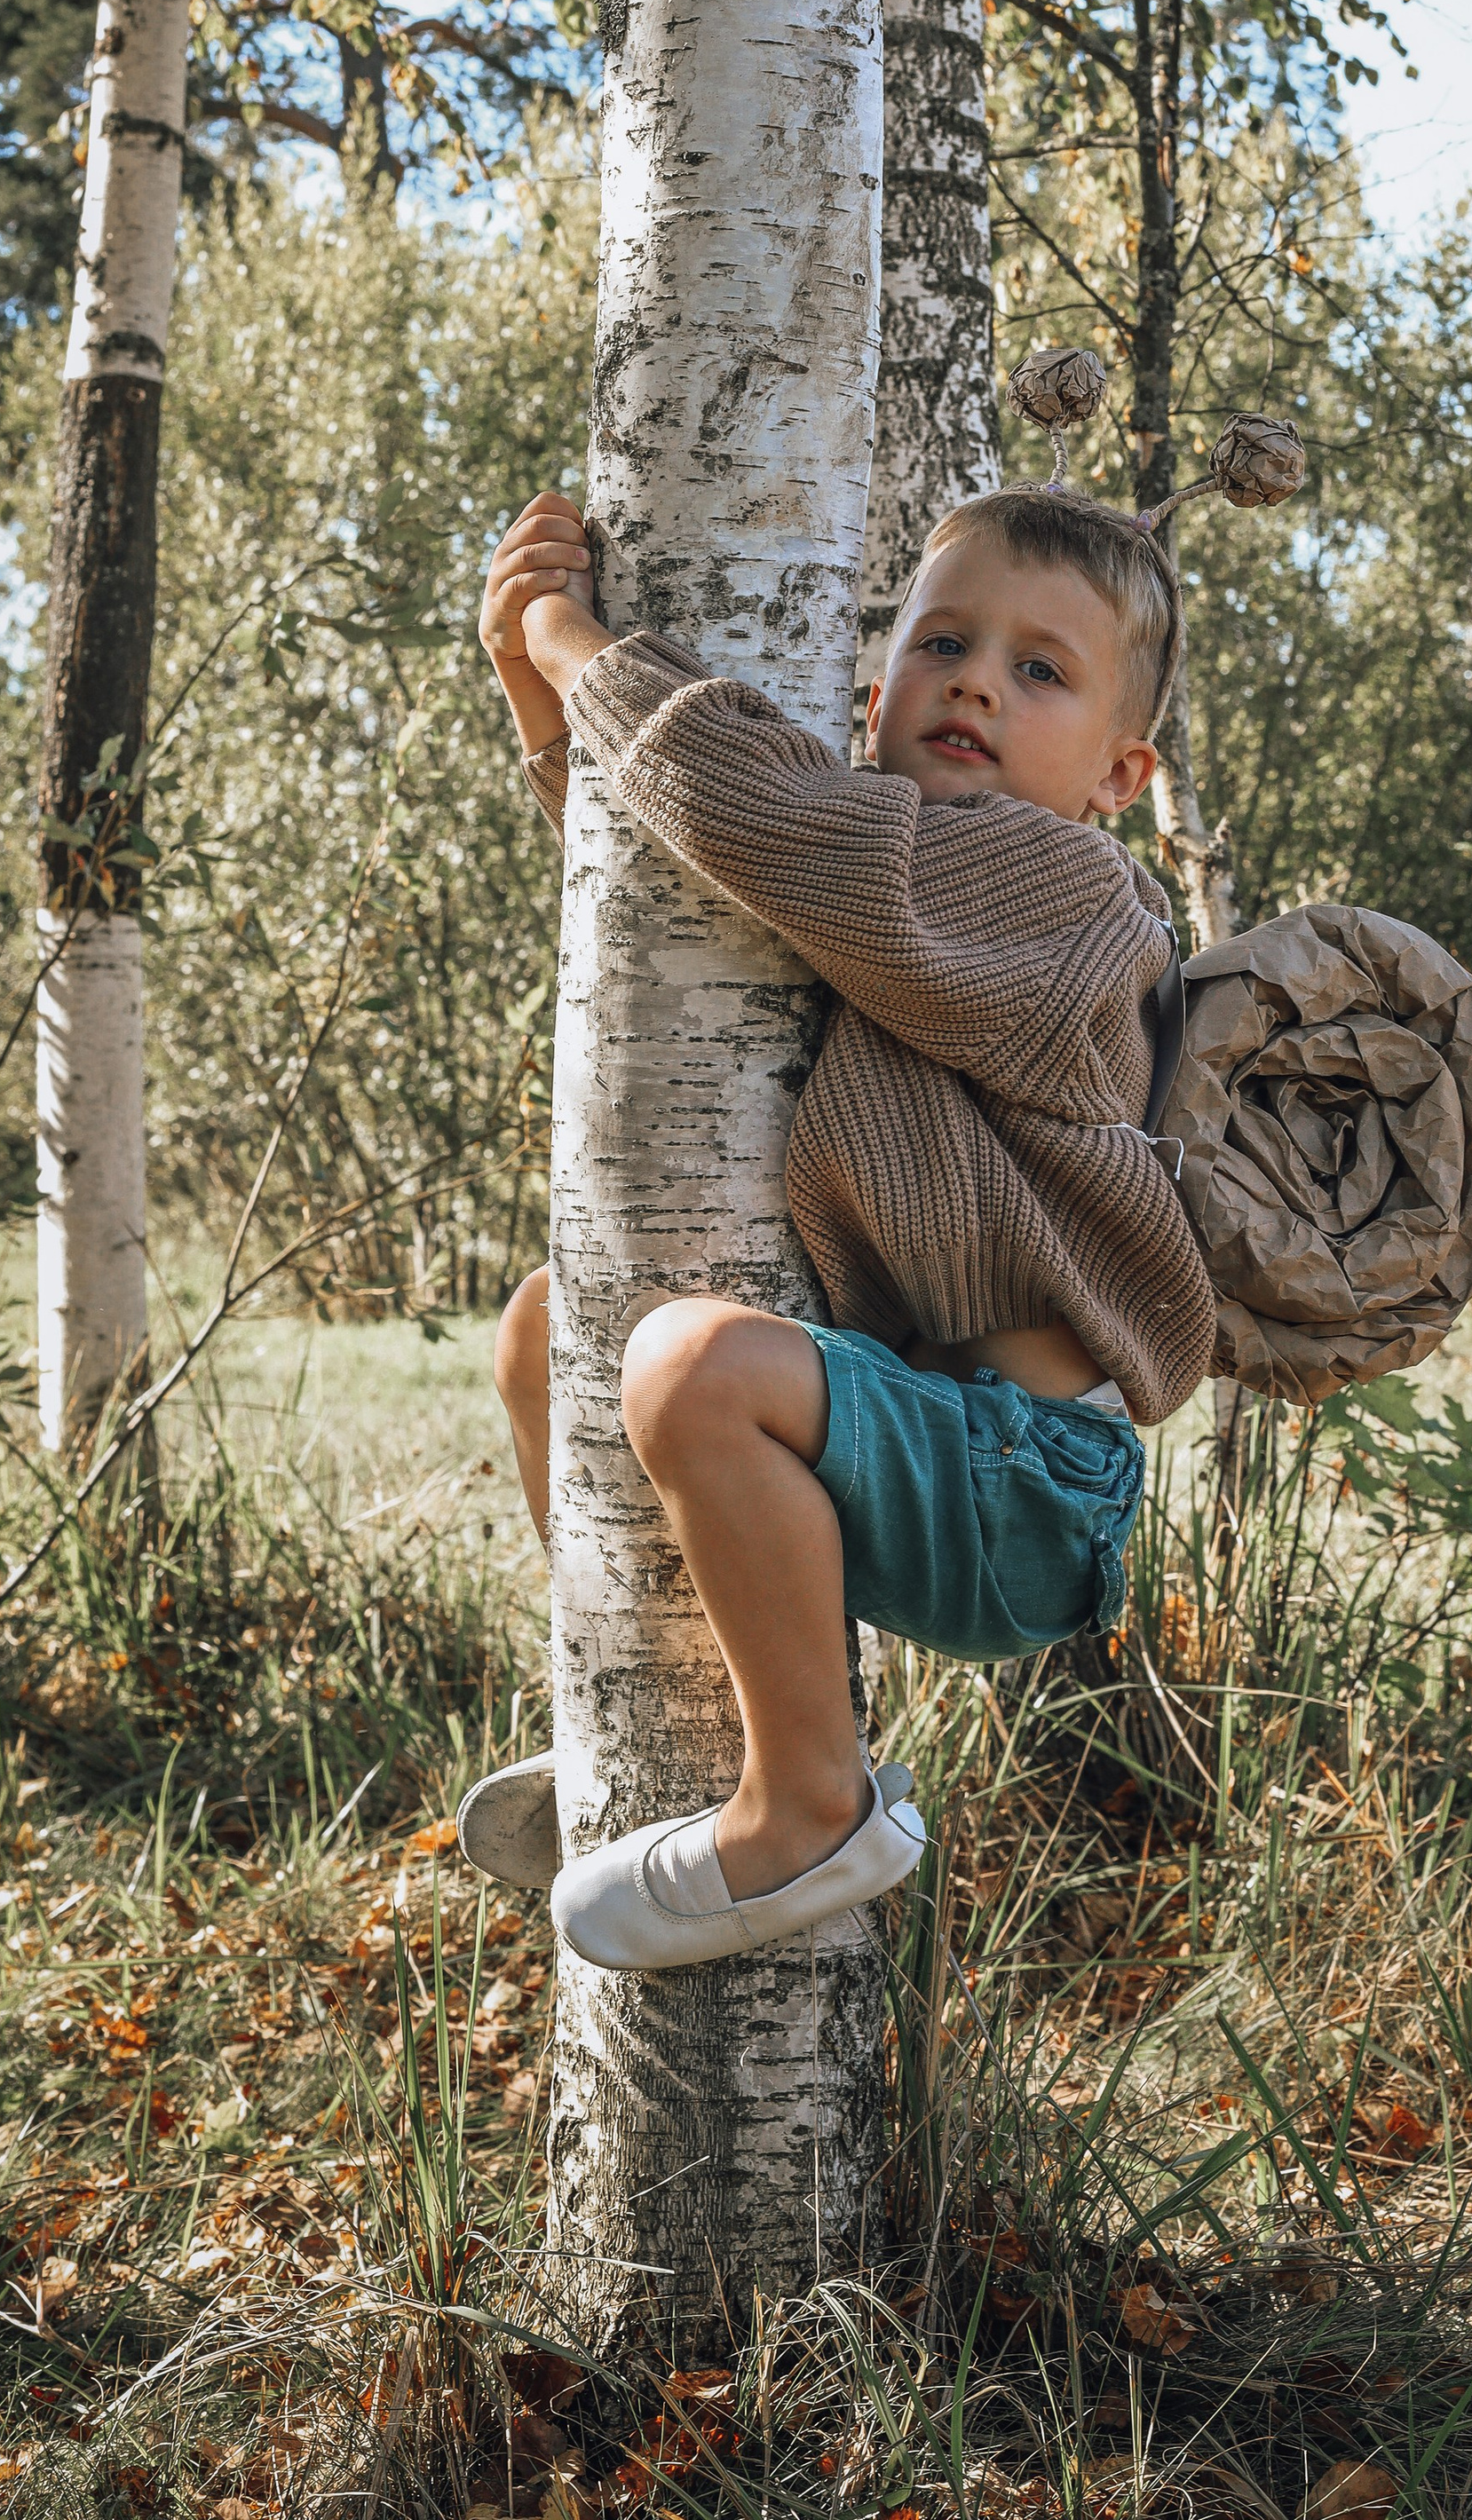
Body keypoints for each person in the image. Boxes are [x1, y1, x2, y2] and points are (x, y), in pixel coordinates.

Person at [463, 482, 1215, 1973]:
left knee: (690, 1369)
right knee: (560, 1324)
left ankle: (812, 1801)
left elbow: (784, 831)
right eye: (945, 644)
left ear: (1120, 776)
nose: (979, 682)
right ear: (876, 697)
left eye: (1040, 670)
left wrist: (574, 645)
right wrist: (544, 714)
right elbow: (693, 903)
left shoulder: (1067, 895)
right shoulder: (904, 906)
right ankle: (626, 1726)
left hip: (1023, 1473)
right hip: (921, 1422)